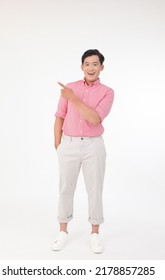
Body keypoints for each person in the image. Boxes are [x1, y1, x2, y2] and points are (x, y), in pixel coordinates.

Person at [52, 49, 114, 254]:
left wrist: (74, 99)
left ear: (101, 67)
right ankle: (63, 231)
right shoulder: (69, 88)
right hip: (68, 144)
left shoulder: (107, 92)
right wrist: (58, 144)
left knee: (94, 189)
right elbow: (60, 116)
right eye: (87, 64)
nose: (90, 68)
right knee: (65, 188)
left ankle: (95, 233)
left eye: (95, 64)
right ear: (82, 67)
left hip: (93, 145)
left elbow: (95, 118)